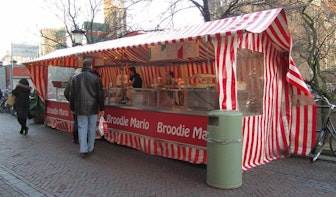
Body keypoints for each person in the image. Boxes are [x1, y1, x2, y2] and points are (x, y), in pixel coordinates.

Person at [69, 59, 105, 157]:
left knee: (82, 127)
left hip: (79, 108)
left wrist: (72, 107)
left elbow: (72, 94)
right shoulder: (96, 78)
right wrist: (102, 108)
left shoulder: (75, 78)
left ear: (83, 67)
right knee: (91, 128)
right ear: (91, 67)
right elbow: (100, 95)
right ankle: (90, 147)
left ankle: (83, 149)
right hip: (93, 107)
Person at [64, 68, 81, 144]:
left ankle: (75, 138)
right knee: (82, 122)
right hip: (81, 105)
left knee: (76, 121)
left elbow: (66, 93)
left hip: (75, 104)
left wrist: (71, 102)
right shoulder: (79, 80)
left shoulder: (71, 79)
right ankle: (82, 138)